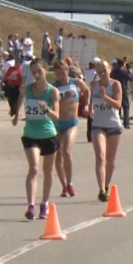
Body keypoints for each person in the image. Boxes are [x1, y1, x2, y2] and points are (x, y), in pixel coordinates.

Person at [13, 58, 60, 220]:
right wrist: (17, 113)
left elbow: (56, 116)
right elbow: (20, 97)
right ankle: (31, 205)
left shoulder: (52, 91)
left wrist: (46, 109)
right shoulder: (26, 89)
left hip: (48, 134)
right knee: (33, 168)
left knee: (48, 171)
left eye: (39, 71)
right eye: (33, 72)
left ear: (46, 70)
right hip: (30, 134)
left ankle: (44, 203)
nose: (36, 75)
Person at [52, 59, 90, 198]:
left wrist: (87, 105)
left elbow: (87, 90)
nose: (61, 76)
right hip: (57, 123)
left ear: (67, 70)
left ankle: (70, 183)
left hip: (71, 122)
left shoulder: (75, 82)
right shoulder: (54, 87)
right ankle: (63, 186)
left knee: (66, 151)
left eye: (63, 73)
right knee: (58, 156)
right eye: (58, 74)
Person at [88, 60, 123, 202]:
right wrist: (89, 108)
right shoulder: (94, 85)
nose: (102, 73)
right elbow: (91, 101)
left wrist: (104, 97)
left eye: (104, 70)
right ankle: (101, 189)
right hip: (98, 125)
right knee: (100, 157)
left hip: (114, 125)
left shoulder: (115, 84)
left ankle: (106, 185)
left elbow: (118, 105)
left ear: (109, 70)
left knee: (110, 159)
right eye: (99, 70)